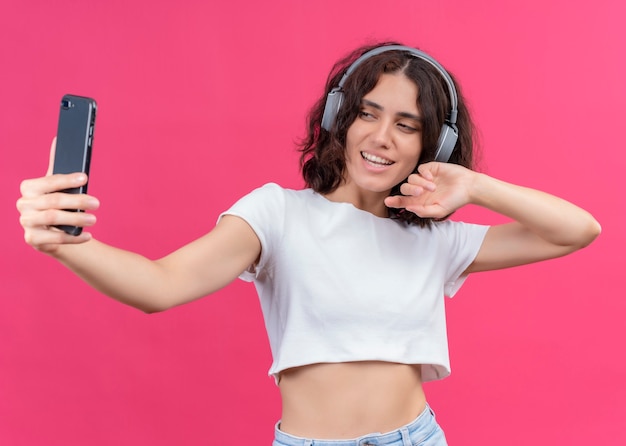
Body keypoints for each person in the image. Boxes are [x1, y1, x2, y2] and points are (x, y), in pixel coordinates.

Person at [17, 42, 601, 446]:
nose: (380, 137)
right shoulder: (277, 214)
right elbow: (159, 286)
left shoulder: (438, 240)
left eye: (407, 124)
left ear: (434, 143)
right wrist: (66, 245)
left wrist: (473, 184)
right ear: (336, 119)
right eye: (366, 114)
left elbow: (577, 230)